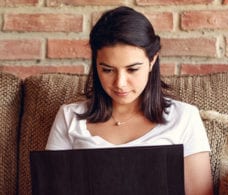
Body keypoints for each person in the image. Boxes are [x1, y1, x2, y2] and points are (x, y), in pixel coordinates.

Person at [46, 6, 213, 195]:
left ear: (152, 61)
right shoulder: (69, 117)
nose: (120, 83)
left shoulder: (185, 118)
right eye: (107, 70)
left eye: (132, 69)